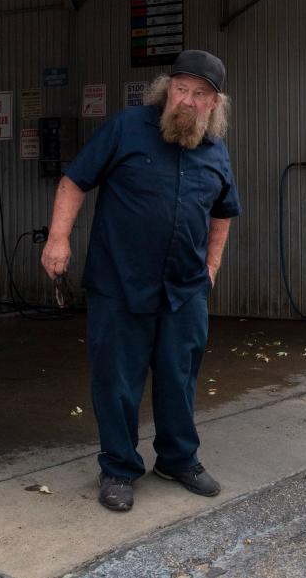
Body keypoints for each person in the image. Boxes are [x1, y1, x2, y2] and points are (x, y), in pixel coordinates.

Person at [41, 50, 241, 512]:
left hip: (185, 288)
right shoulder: (126, 127)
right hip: (119, 281)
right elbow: (73, 181)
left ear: (214, 104)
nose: (187, 100)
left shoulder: (215, 150)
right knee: (117, 379)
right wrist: (58, 240)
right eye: (181, 88)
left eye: (200, 94)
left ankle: (178, 459)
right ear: (166, 88)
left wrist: (211, 267)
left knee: (179, 376)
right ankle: (118, 466)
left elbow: (223, 213)